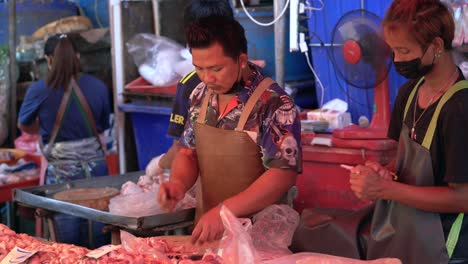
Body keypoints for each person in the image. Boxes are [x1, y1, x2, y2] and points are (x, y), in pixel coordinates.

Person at [292, 1, 468, 263]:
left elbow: (462, 199)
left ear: (437, 46)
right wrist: (382, 170)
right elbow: (403, 158)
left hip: (446, 246)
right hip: (407, 228)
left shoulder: (459, 109)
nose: (397, 60)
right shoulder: (409, 93)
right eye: (393, 51)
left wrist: (386, 189)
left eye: (404, 50)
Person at [157, 16, 302, 244]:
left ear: (241, 60)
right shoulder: (199, 94)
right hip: (209, 232)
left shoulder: (274, 103)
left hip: (260, 238)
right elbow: (187, 152)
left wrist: (225, 211)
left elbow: (282, 175)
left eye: (216, 68)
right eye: (199, 68)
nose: (207, 78)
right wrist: (178, 184)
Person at [18, 33, 111, 248]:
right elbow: (103, 125)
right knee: (99, 238)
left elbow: (25, 126)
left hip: (61, 176)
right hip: (97, 171)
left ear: (49, 60)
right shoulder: (98, 86)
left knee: (66, 246)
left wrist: (43, 129)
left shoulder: (38, 90)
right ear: (77, 56)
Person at [145, 0, 234, 176]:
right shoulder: (258, 76)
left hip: (216, 189)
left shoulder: (190, 85)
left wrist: (159, 164)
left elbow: (182, 149)